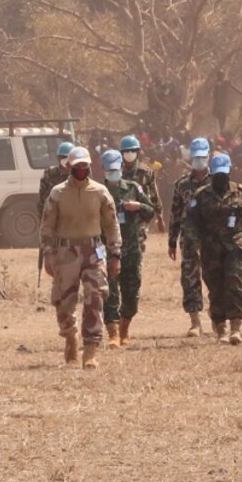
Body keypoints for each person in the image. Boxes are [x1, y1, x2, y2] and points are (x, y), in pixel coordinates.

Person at [41, 146, 122, 368]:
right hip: (65, 252)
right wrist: (48, 254)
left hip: (93, 250)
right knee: (64, 301)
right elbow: (47, 227)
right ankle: (70, 337)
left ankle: (90, 350)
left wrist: (115, 254)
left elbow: (112, 225)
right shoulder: (57, 193)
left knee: (94, 296)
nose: (81, 170)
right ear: (69, 166)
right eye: (77, 166)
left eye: (85, 166)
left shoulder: (100, 192)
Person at [183, 153, 242, 344]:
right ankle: (221, 327)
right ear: (212, 174)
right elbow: (191, 224)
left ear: (230, 171)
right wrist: (191, 245)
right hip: (210, 250)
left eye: (224, 174)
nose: (221, 178)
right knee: (216, 289)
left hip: (235, 249)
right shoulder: (201, 196)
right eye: (217, 175)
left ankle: (235, 328)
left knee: (234, 283)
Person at [100, 149, 154, 348]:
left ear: (121, 168)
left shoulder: (133, 187)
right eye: (109, 170)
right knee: (109, 292)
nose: (113, 173)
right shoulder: (97, 191)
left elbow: (151, 212)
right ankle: (113, 333)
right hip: (106, 250)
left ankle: (125, 328)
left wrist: (138, 206)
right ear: (103, 170)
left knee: (132, 290)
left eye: (116, 169)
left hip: (131, 249)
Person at [167, 136, 212, 336]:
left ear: (208, 157)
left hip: (214, 240)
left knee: (216, 279)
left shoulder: (219, 181)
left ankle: (219, 320)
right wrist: (172, 241)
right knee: (190, 280)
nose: (199, 162)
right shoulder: (182, 184)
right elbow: (175, 213)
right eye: (196, 158)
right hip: (189, 241)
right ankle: (195, 322)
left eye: (202, 157)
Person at [119, 134, 165, 240]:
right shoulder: (117, 172)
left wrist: (160, 217)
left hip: (141, 214)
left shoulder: (146, 172)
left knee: (138, 240)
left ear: (138, 152)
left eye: (132, 151)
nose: (129, 154)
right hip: (122, 214)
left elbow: (154, 194)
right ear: (122, 153)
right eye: (126, 151)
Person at [37, 142, 74, 218]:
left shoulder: (78, 175)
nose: (66, 160)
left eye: (68, 157)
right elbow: (43, 199)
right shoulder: (50, 173)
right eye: (63, 157)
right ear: (58, 158)